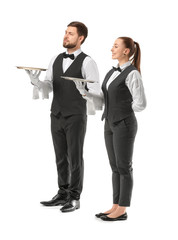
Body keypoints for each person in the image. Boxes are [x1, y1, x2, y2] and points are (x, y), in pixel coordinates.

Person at [26, 21, 101, 213]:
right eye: (65, 33)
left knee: (75, 158)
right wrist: (36, 82)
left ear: (81, 38)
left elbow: (94, 92)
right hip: (56, 114)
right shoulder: (55, 59)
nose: (66, 36)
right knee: (60, 156)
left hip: (76, 115)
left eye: (70, 33)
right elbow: (48, 86)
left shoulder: (88, 62)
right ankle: (62, 193)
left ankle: (75, 198)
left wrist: (82, 90)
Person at [95, 37, 146, 221]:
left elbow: (140, 104)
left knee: (124, 167)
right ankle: (115, 205)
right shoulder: (111, 72)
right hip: (108, 122)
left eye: (115, 46)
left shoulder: (132, 73)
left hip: (124, 123)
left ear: (126, 51)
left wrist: (123, 108)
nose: (111, 49)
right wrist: (85, 92)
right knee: (114, 167)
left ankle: (122, 209)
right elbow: (104, 100)